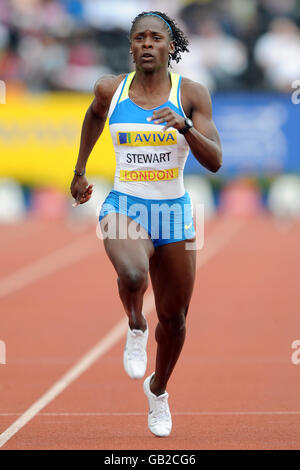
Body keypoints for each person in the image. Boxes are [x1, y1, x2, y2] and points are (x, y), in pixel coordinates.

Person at [70, 11, 222, 437]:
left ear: (171, 46)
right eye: (140, 38)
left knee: (174, 320)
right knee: (133, 272)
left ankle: (158, 391)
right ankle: (136, 323)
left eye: (157, 38)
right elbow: (95, 116)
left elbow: (215, 161)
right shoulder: (109, 88)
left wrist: (186, 126)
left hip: (173, 211)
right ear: (132, 46)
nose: (148, 44)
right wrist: (80, 170)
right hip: (125, 204)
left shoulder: (190, 93)